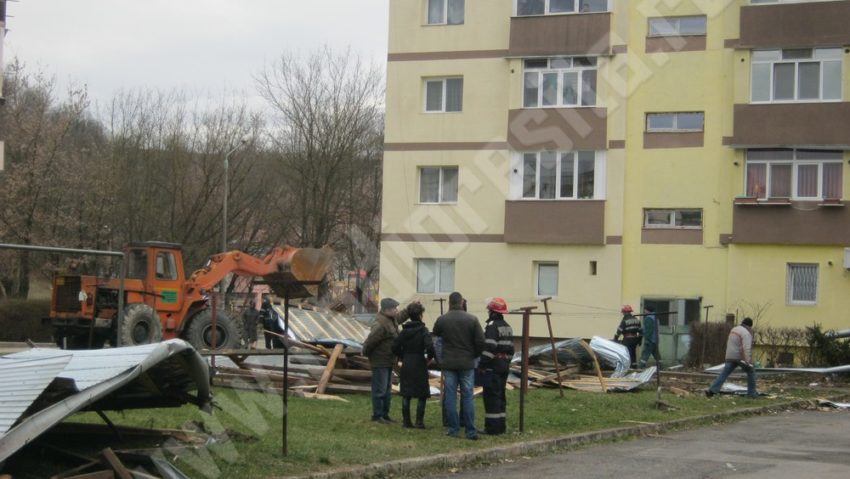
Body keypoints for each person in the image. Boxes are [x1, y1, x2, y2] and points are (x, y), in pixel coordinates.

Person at [433, 292, 485, 440]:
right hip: (467, 362)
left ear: (449, 302)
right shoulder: (472, 320)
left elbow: (436, 340)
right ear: (462, 302)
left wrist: (440, 359)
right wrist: (474, 355)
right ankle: (470, 430)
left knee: (450, 396)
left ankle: (453, 429)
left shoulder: (442, 320)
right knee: (468, 396)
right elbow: (481, 341)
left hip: (449, 363)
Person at [363, 297, 408, 423]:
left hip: (388, 359)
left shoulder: (390, 319)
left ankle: (385, 414)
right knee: (380, 389)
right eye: (394, 308)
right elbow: (371, 341)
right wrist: (365, 352)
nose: (396, 310)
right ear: (387, 310)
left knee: (387, 389)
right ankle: (377, 415)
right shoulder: (380, 324)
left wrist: (410, 309)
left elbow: (400, 318)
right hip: (380, 360)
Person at [392, 302, 434, 429]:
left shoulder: (404, 332)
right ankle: (419, 422)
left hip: (407, 363)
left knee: (406, 393)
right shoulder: (423, 331)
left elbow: (394, 346)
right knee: (422, 394)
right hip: (419, 362)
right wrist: (429, 358)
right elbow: (430, 347)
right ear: (421, 315)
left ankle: (406, 422)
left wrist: (403, 355)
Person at [479, 297, 514, 435]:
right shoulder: (507, 327)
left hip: (492, 367)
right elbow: (511, 350)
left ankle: (492, 428)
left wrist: (482, 364)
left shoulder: (492, 326)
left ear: (493, 312)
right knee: (500, 396)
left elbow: (489, 347)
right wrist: (506, 361)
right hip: (503, 366)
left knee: (491, 396)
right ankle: (501, 426)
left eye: (489, 310)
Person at [706, 317, 758, 398]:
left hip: (729, 356)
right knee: (751, 372)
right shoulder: (746, 333)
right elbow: (746, 348)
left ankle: (712, 390)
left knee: (724, 373)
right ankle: (752, 394)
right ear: (749, 326)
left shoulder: (734, 329)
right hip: (739, 357)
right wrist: (748, 360)